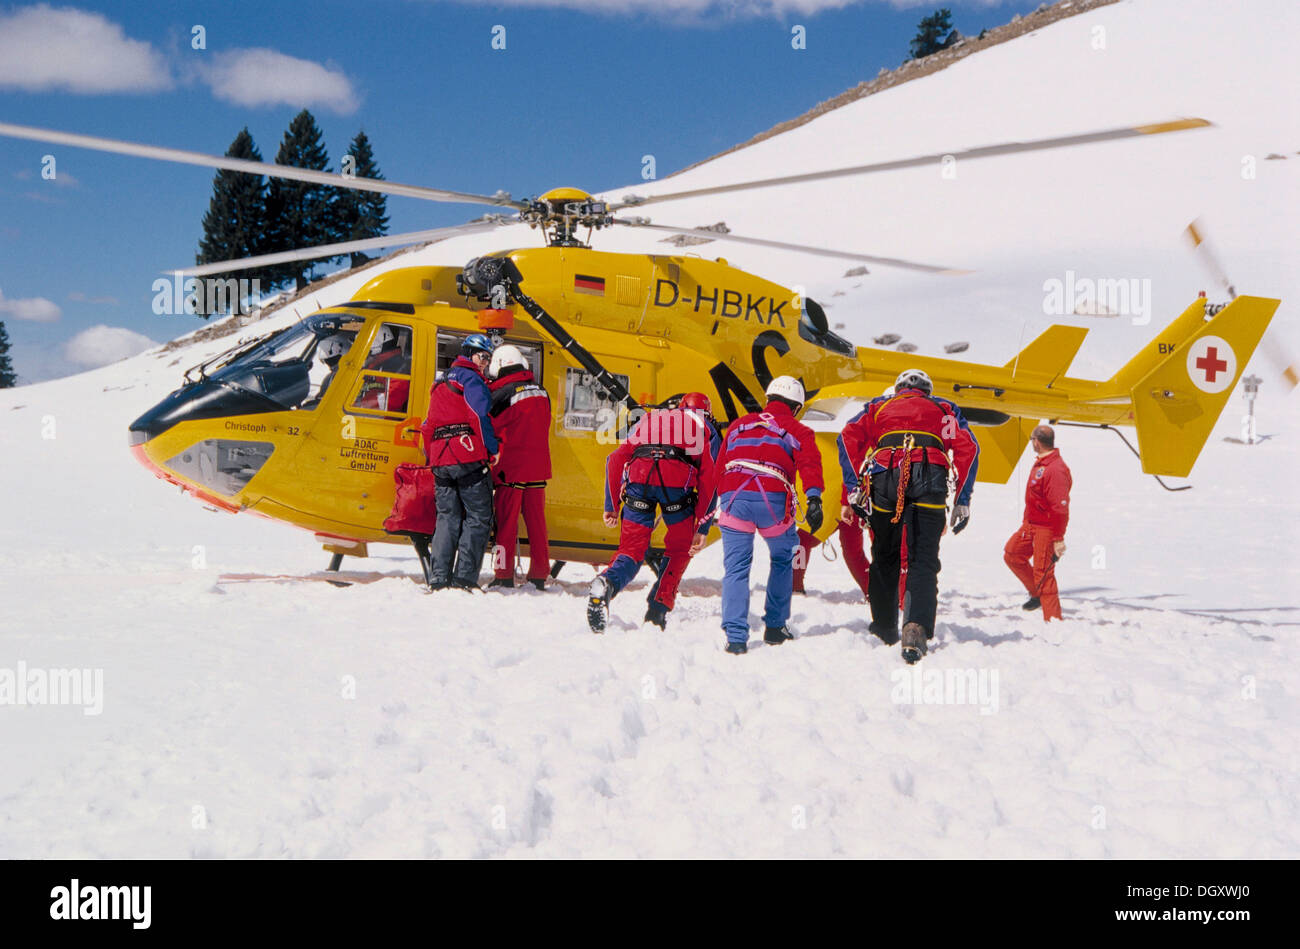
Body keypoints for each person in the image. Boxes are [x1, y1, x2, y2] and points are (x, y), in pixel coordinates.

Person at [839, 368, 979, 663]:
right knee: (922, 559)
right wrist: (962, 500)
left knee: (884, 556)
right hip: (930, 480)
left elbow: (847, 438)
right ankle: (915, 627)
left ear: (899, 388)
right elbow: (969, 448)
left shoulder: (878, 406)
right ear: (926, 390)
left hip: (885, 479)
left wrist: (853, 487)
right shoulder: (944, 409)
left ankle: (884, 627)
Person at [588, 392, 718, 632]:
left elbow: (614, 459)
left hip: (639, 480)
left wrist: (612, 506)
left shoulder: (650, 419)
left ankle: (607, 582)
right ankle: (657, 610)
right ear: (706, 413)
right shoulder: (704, 426)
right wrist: (702, 525)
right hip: (676, 487)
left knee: (631, 550)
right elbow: (710, 478)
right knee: (680, 549)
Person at [715, 376, 824, 655]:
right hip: (773, 501)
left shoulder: (740, 424)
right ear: (797, 406)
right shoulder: (799, 430)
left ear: (768, 399)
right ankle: (775, 627)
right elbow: (810, 463)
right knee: (783, 557)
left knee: (737, 568)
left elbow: (719, 467)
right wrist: (814, 499)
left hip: (734, 499)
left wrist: (710, 509)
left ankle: (736, 637)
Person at [421, 334, 499, 591]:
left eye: (488, 358)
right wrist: (491, 448)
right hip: (466, 456)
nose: (485, 363)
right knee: (478, 515)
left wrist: (430, 457)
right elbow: (478, 415)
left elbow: (428, 425)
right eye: (482, 356)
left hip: (440, 458)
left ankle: (438, 577)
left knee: (446, 517)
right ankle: (464, 578)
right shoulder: (471, 379)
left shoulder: (440, 381)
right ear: (469, 353)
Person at [485, 344, 552, 590]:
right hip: (538, 467)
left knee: (506, 524)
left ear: (499, 366)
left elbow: (489, 427)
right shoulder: (542, 391)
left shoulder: (501, 394)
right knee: (537, 523)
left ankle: (503, 573)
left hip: (512, 468)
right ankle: (540, 573)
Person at [1004, 424, 1072, 621]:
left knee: (1044, 573)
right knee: (1012, 554)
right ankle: (1037, 594)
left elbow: (1060, 508)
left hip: (1047, 528)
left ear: (1036, 441)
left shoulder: (1055, 469)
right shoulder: (1042, 464)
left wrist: (1058, 538)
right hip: (1031, 524)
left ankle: (1053, 620)